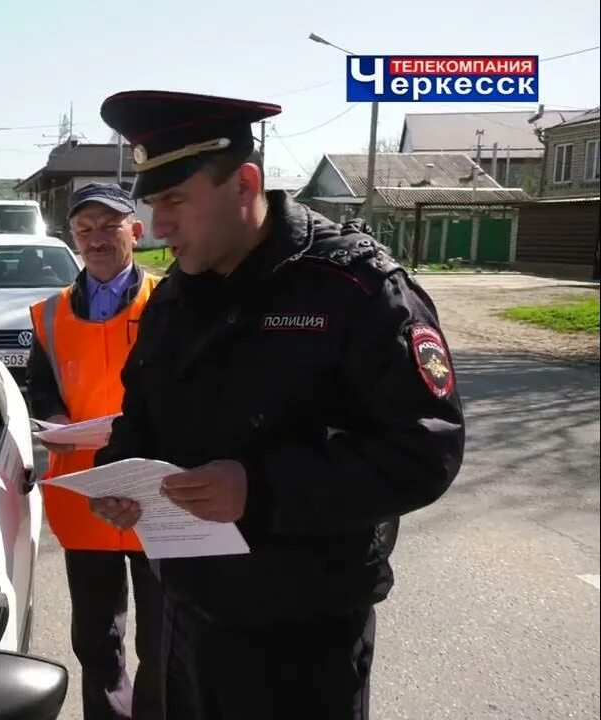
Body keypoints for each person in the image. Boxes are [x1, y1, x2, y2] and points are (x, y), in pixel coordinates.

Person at [87, 90, 466, 720]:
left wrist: (259, 490)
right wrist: (123, 473)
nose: (158, 227)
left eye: (175, 200)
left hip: (304, 637)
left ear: (245, 183)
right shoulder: (175, 298)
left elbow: (425, 448)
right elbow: (144, 417)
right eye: (153, 204)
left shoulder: (355, 287)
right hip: (188, 615)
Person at [26, 182, 166, 720]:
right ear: (73, 239)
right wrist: (57, 420)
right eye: (85, 229)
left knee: (161, 639)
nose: (97, 238)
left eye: (109, 226)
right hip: (85, 493)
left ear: (135, 231)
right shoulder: (49, 314)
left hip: (155, 488)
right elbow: (42, 386)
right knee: (96, 639)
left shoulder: (170, 303)